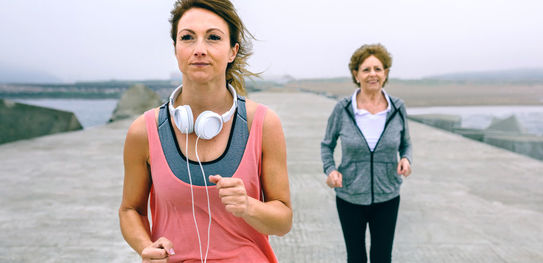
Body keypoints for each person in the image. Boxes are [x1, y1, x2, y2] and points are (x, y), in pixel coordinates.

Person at [118, 0, 292, 262]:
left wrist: (248, 206)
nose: (199, 49)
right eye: (187, 37)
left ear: (232, 51)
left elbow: (283, 221)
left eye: (213, 37)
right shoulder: (144, 131)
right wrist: (145, 245)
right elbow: (130, 209)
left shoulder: (263, 124)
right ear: (175, 49)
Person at [320, 43, 412, 263]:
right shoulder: (342, 109)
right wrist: (331, 170)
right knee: (356, 257)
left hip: (388, 195)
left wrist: (406, 159)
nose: (373, 74)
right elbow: (326, 145)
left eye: (378, 69)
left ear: (386, 73)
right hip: (349, 196)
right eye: (366, 69)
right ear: (356, 74)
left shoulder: (398, 108)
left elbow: (406, 143)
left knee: (382, 257)